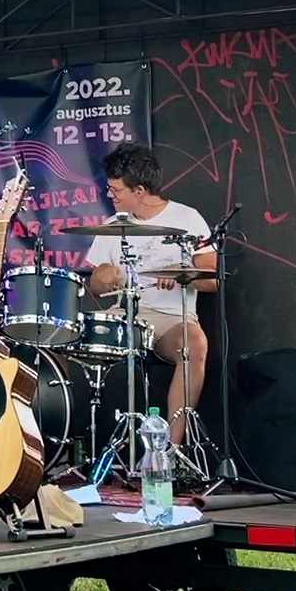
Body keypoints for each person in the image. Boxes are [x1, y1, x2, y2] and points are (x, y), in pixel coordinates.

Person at [82, 145, 216, 446]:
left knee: (195, 345)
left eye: (116, 189)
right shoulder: (113, 226)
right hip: (125, 314)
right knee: (66, 335)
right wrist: (103, 278)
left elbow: (213, 279)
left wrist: (183, 271)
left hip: (171, 318)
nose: (110, 195)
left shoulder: (187, 218)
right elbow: (95, 287)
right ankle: (72, 441)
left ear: (139, 190)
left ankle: (171, 448)